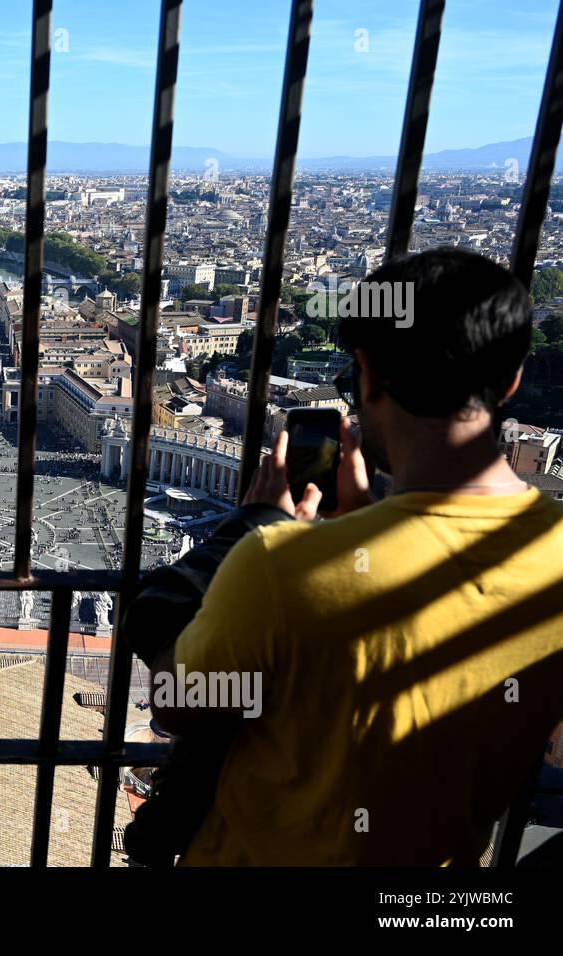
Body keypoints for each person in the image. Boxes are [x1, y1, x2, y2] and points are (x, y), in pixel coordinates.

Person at [130, 247, 563, 865]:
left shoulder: (285, 566)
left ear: (366, 372)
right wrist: (364, 531)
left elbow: (179, 703)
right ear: (514, 380)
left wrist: (250, 527)